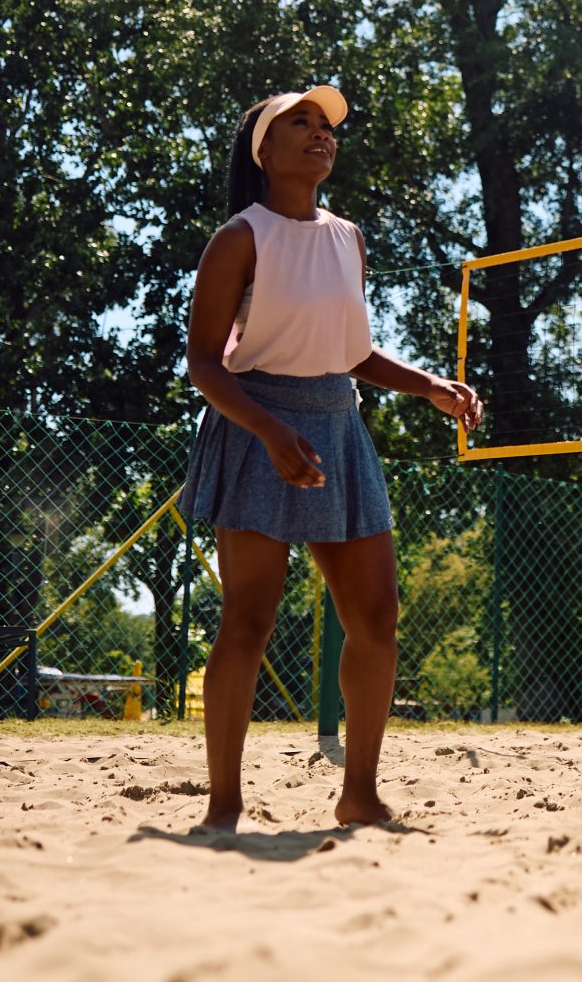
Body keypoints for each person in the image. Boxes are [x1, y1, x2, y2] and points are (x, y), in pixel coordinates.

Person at [182, 87, 483, 831]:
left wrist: (429, 386)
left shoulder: (347, 236)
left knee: (377, 616)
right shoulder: (239, 237)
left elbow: (350, 351)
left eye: (326, 126)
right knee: (249, 619)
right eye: (301, 123)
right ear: (266, 150)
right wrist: (268, 431)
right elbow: (202, 364)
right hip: (256, 425)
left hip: (338, 426)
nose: (321, 134)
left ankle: (360, 792)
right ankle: (223, 804)